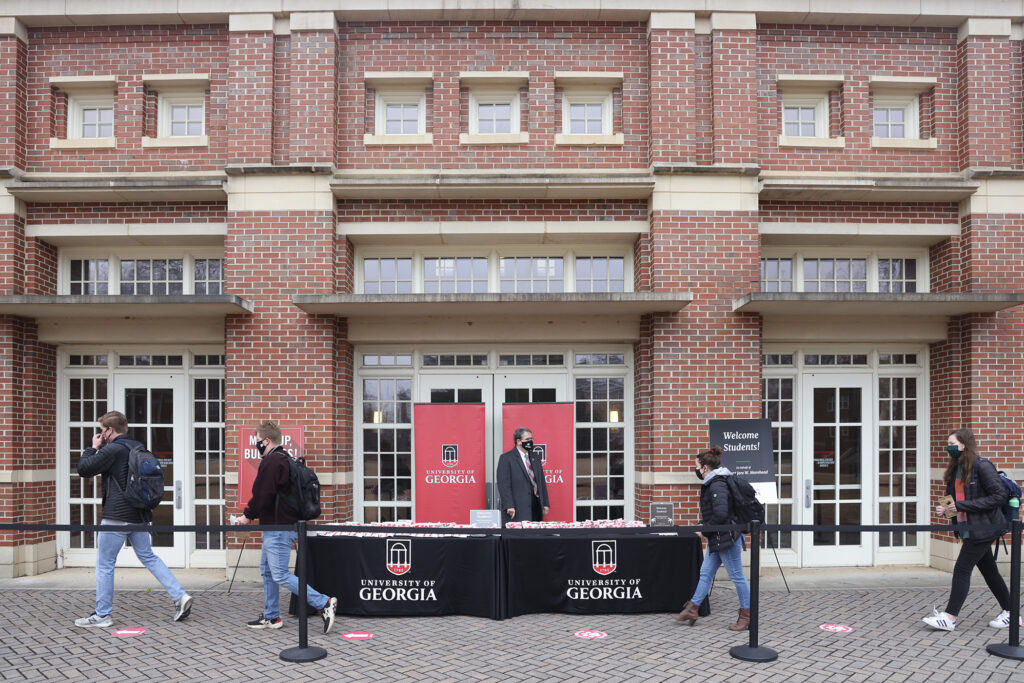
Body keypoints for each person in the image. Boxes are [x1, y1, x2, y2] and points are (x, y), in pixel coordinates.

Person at [74, 411, 193, 628]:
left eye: (102, 431)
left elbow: (84, 469)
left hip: (116, 516)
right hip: (139, 514)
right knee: (148, 556)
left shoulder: (113, 449)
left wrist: (93, 446)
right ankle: (180, 596)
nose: (101, 434)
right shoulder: (137, 446)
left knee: (105, 564)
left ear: (109, 430)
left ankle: (102, 615)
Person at [233, 421, 337, 633]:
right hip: (278, 526)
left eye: (257, 441)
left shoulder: (272, 462)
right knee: (267, 571)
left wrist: (247, 516)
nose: (256, 444)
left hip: (278, 528)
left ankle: (323, 603)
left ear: (266, 440)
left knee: (279, 574)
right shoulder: (285, 459)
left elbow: (262, 494)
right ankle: (272, 616)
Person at [922, 428, 1013, 631]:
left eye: (952, 444)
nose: (949, 447)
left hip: (983, 527)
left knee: (962, 569)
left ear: (964, 444)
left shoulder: (982, 466)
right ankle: (1011, 613)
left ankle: (950, 617)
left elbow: (998, 496)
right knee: (990, 572)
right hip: (967, 527)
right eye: (948, 444)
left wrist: (960, 507)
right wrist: (946, 510)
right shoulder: (956, 468)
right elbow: (954, 499)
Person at [674, 445, 750, 630]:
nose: (696, 470)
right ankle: (693, 609)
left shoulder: (717, 484)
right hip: (718, 537)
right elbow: (717, 512)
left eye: (697, 467)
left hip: (727, 538)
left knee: (737, 576)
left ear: (705, 468)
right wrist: (705, 525)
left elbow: (721, 514)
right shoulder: (714, 482)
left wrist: (704, 530)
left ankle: (747, 616)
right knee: (706, 573)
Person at [496, 427, 549, 527]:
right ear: (518, 441)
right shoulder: (506, 458)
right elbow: (503, 484)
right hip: (517, 508)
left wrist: (545, 503)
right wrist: (509, 505)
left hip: (536, 507)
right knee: (519, 535)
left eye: (531, 439)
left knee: (535, 535)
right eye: (527, 439)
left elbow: (541, 481)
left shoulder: (535, 457)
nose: (530, 441)